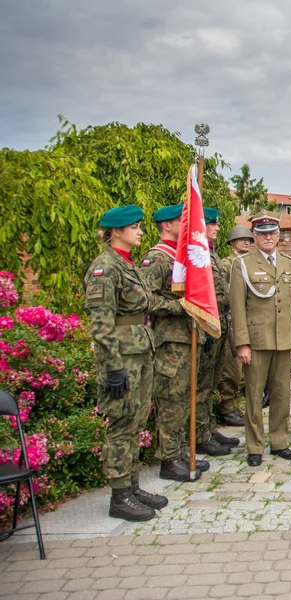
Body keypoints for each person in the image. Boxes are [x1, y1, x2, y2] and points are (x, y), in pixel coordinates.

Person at [85, 205, 167, 521]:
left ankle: (131, 485)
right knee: (121, 424)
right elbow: (101, 323)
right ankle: (119, 496)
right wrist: (112, 367)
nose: (140, 232)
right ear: (116, 231)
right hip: (121, 357)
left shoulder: (126, 265)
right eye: (134, 227)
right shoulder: (104, 268)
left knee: (135, 421)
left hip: (139, 350)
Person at [229, 211, 291, 466]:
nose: (268, 237)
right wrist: (242, 343)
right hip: (257, 340)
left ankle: (279, 441)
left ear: (279, 235)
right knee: (255, 394)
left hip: (283, 338)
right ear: (254, 237)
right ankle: (254, 446)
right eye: (262, 233)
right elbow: (237, 307)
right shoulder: (242, 264)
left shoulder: (288, 264)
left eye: (272, 233)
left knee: (282, 394)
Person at [140, 203, 205, 482]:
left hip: (187, 337)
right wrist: (181, 306)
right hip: (169, 341)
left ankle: (178, 451)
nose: (187, 226)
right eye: (182, 221)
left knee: (184, 398)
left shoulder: (181, 255)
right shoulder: (156, 258)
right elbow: (146, 299)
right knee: (170, 400)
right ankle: (168, 459)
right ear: (167, 225)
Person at [193, 208, 240, 457]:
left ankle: (208, 429)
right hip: (206, 325)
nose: (217, 228)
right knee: (201, 383)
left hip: (220, 322)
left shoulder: (212, 255)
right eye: (212, 224)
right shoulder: (197, 256)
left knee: (211, 381)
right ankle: (200, 435)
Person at [216, 224, 253, 427]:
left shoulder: (252, 263)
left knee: (246, 369)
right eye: (242, 239)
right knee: (232, 370)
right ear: (232, 242)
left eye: (248, 240)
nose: (246, 242)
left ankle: (235, 406)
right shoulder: (225, 265)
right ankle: (227, 408)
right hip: (231, 320)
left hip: (249, 319)